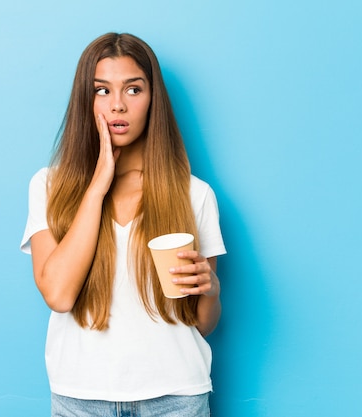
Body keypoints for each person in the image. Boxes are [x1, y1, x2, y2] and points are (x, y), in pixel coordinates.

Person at [20, 32, 226, 417]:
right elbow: (60, 295)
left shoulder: (194, 194)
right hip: (80, 398)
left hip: (176, 397)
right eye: (102, 91)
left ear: (153, 100)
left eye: (133, 90)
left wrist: (211, 290)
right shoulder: (48, 186)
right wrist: (97, 186)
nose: (117, 105)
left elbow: (203, 323)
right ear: (87, 99)